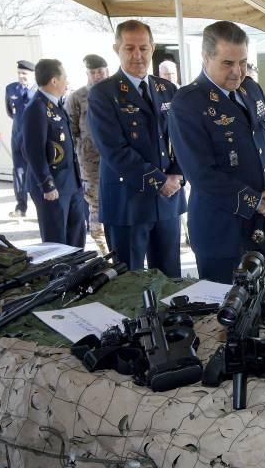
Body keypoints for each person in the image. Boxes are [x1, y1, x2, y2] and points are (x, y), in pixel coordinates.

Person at [169, 21, 265, 290]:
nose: (237, 72)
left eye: (243, 62)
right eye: (228, 63)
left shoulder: (252, 90)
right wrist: (256, 201)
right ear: (206, 57)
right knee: (229, 322)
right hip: (223, 233)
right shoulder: (188, 102)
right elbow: (202, 175)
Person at [88, 20, 185, 277]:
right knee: (130, 282)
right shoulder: (103, 94)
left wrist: (177, 174)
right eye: (129, 48)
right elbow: (114, 150)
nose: (137, 55)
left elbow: (183, 138)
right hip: (127, 204)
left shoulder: (168, 90)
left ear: (152, 48)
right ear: (116, 49)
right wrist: (159, 181)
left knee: (170, 278)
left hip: (167, 201)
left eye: (143, 48)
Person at [22, 59, 86, 247]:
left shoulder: (55, 105)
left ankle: (77, 275)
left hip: (70, 183)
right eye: (64, 77)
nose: (67, 81)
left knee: (76, 237)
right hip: (53, 187)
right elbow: (33, 151)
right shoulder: (37, 108)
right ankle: (59, 276)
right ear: (54, 81)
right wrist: (47, 184)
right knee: (56, 241)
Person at [66, 54, 110, 255]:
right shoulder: (77, 97)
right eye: (93, 72)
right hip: (91, 163)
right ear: (87, 74)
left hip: (116, 161)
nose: (97, 76)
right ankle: (104, 252)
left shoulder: (117, 92)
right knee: (95, 207)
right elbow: (72, 130)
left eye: (100, 71)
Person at [5, 59, 35, 218]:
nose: (21, 76)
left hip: (35, 137)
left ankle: (41, 207)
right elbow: (10, 112)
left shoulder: (39, 90)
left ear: (33, 74)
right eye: (19, 73)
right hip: (17, 136)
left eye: (24, 73)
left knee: (38, 170)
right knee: (18, 171)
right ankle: (21, 206)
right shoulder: (11, 89)